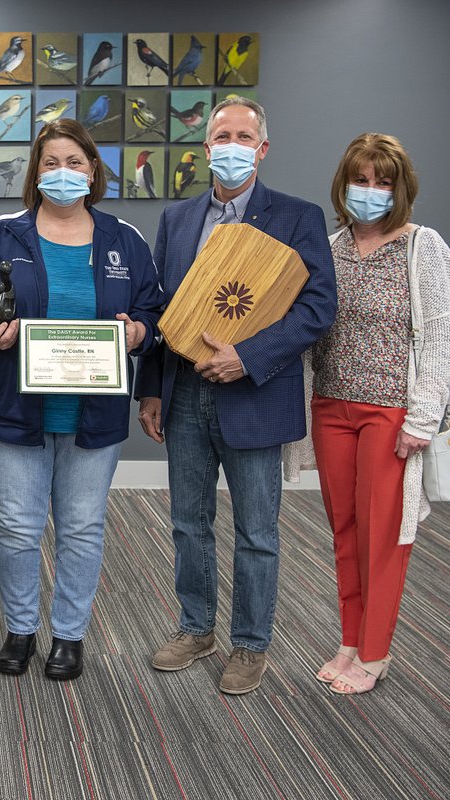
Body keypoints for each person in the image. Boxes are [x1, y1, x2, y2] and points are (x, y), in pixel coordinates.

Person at [0, 119, 166, 680]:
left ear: (92, 171)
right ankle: (20, 629)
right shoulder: (0, 235)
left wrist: (139, 332)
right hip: (15, 409)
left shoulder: (124, 240)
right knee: (17, 527)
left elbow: (154, 311)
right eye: (51, 163)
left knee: (82, 528)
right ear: (36, 172)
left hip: (94, 414)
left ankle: (69, 635)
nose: (63, 173)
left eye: (74, 162)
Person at [136, 97, 336, 694]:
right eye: (221, 136)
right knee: (188, 523)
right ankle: (196, 628)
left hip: (255, 394)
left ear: (262, 148)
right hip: (184, 393)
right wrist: (151, 391)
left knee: (256, 531)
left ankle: (251, 644)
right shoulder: (177, 218)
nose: (231, 146)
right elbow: (163, 309)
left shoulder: (297, 218)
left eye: (243, 137)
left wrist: (247, 357)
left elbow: (318, 308)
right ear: (206, 149)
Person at [306, 133, 450, 694]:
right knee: (345, 531)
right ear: (343, 185)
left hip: (390, 413)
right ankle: (349, 641)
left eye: (382, 182)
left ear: (400, 189)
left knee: (384, 535)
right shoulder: (327, 248)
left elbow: (442, 337)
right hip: (330, 406)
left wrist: (422, 418)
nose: (369, 190)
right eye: (360, 179)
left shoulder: (423, 248)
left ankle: (375, 652)